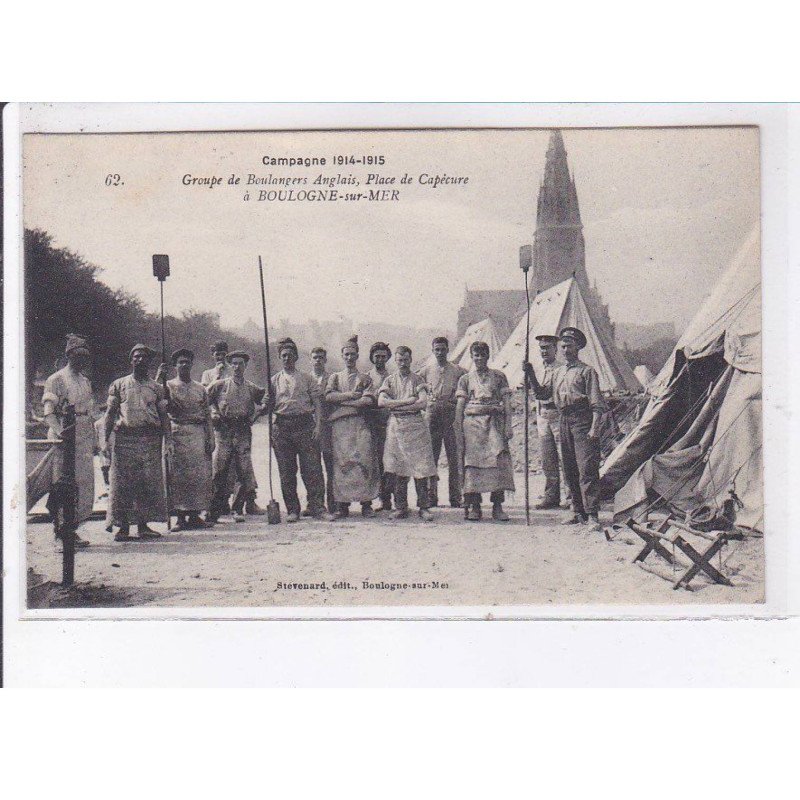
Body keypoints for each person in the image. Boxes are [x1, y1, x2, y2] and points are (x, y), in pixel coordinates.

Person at [524, 327, 605, 532]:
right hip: (563, 419)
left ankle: (592, 515)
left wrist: (594, 428)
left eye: (570, 346)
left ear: (578, 347)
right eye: (563, 346)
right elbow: (543, 394)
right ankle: (577, 512)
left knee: (586, 468)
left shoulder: (587, 372)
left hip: (582, 420)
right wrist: (531, 373)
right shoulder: (557, 372)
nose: (566, 350)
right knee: (569, 468)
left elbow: (597, 404)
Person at [104, 344, 170, 541]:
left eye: (144, 357)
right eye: (136, 357)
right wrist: (104, 441)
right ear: (131, 360)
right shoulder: (118, 385)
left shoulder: (157, 388)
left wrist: (169, 441)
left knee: (148, 482)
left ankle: (143, 526)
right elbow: (110, 414)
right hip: (125, 439)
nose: (140, 360)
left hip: (150, 439)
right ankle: (122, 528)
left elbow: (164, 416)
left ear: (149, 362)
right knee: (122, 483)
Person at [42, 334, 97, 547]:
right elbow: (49, 413)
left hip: (82, 437)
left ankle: (72, 529)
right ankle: (60, 532)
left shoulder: (85, 381)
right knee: (62, 484)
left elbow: (90, 413)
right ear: (68, 355)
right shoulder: (56, 379)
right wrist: (60, 432)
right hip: (64, 438)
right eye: (77, 355)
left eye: (84, 355)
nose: (81, 359)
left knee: (82, 484)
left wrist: (93, 440)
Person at [269, 337, 330, 522]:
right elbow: (269, 405)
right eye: (284, 355)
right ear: (280, 358)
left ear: (296, 357)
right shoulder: (273, 380)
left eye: (290, 355)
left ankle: (318, 507)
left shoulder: (307, 378)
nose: (287, 358)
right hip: (282, 427)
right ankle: (292, 510)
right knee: (286, 471)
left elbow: (318, 403)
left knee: (312, 469)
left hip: (305, 425)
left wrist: (318, 425)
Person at [201, 340, 264, 517]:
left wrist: (258, 413)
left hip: (243, 430)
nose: (237, 367)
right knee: (220, 469)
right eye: (234, 364)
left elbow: (265, 398)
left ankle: (238, 508)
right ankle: (215, 508)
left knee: (243, 469)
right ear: (231, 365)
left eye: (240, 364)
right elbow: (204, 399)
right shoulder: (220, 384)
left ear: (245, 366)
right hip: (223, 429)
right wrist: (213, 413)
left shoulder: (251, 386)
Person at [455, 341, 514, 522]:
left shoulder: (499, 376)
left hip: (494, 422)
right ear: (472, 357)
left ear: (488, 356)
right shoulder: (465, 379)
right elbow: (460, 405)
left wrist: (508, 424)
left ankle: (497, 506)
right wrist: (458, 425)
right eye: (476, 355)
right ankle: (474, 505)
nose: (479, 358)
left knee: (498, 462)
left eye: (482, 355)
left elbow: (507, 403)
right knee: (472, 465)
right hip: (472, 425)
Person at [324, 336, 380, 518]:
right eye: (346, 354)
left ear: (357, 356)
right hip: (340, 427)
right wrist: (351, 395)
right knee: (342, 463)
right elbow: (329, 396)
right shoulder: (334, 378)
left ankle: (366, 503)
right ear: (342, 355)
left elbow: (368, 400)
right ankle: (343, 505)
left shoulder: (365, 378)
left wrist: (348, 403)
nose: (349, 358)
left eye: (353, 354)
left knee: (364, 460)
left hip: (360, 424)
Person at [377, 346, 436, 521]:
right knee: (398, 468)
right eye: (399, 360)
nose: (403, 363)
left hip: (416, 426)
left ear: (411, 360)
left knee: (421, 468)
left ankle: (424, 507)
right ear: (395, 361)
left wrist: (395, 404)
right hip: (396, 426)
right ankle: (400, 506)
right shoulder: (389, 380)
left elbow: (422, 403)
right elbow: (381, 402)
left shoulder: (418, 380)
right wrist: (407, 401)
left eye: (406, 360)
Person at [163, 349, 214, 531]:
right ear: (175, 365)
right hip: (177, 432)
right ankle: (180, 517)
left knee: (198, 476)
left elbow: (207, 415)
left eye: (187, 362)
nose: (184, 365)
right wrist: (158, 377)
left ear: (192, 365)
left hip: (197, 433)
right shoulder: (167, 385)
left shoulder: (200, 388)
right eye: (180, 362)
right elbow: (159, 401)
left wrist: (210, 437)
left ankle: (194, 515)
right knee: (177, 476)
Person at [416, 336, 466, 508]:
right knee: (431, 457)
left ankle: (456, 496)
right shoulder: (425, 371)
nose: (440, 353)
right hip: (432, 414)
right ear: (432, 351)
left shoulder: (458, 370)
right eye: (436, 349)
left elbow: (466, 388)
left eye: (443, 349)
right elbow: (416, 388)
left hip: (451, 414)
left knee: (454, 456)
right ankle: (431, 496)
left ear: (448, 350)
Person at [531, 334, 570, 510]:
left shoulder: (562, 369)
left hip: (558, 415)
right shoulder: (539, 369)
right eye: (541, 348)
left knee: (565, 456)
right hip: (542, 416)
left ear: (556, 349)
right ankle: (551, 496)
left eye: (547, 347)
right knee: (548, 459)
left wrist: (530, 375)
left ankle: (570, 497)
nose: (544, 351)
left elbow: (544, 392)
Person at [366, 341, 394, 511]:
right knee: (371, 461)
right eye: (377, 356)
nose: (380, 359)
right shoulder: (366, 376)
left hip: (389, 423)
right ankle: (369, 499)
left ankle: (387, 499)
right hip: (370, 423)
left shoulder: (392, 377)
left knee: (388, 463)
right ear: (372, 358)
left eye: (383, 356)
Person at [310, 346, 335, 513]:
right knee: (312, 468)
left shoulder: (332, 379)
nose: (318, 360)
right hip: (309, 427)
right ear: (310, 360)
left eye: (321, 357)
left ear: (325, 360)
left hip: (329, 427)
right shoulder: (306, 378)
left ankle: (333, 505)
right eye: (315, 357)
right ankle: (314, 504)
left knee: (331, 467)